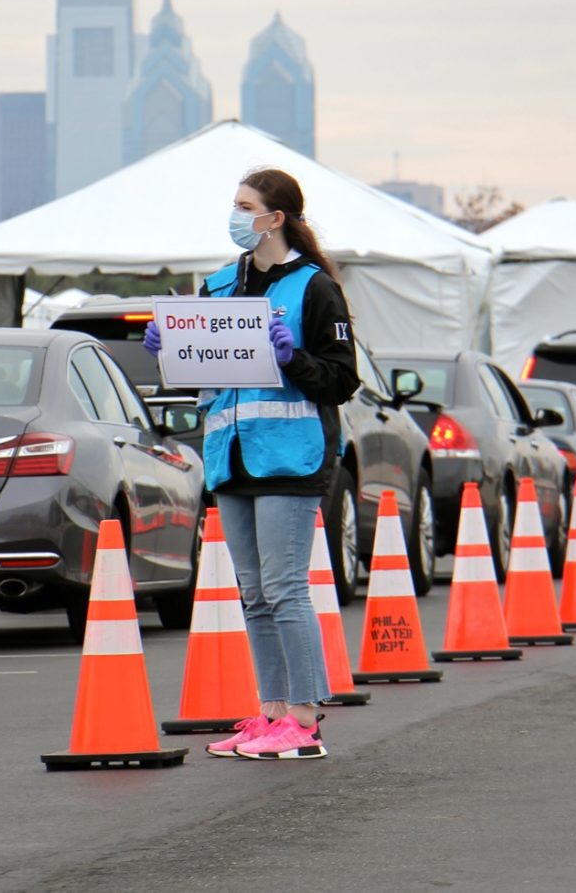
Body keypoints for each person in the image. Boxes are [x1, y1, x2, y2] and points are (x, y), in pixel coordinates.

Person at [143, 168, 359, 760]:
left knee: (286, 588)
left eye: (246, 206)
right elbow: (206, 372)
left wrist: (293, 360)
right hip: (232, 456)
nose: (237, 215)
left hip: (290, 457)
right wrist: (173, 352)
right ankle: (272, 711)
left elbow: (342, 381)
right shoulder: (219, 285)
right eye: (235, 204)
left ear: (276, 217)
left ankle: (306, 718)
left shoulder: (315, 289)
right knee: (254, 592)